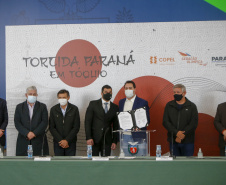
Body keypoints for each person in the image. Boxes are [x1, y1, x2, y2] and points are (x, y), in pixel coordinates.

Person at [163, 84, 198, 156]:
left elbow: (193, 123)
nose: (176, 94)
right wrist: (176, 133)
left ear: (184, 93)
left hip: (188, 141)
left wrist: (182, 134)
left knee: (187, 164)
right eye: (174, 92)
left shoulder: (192, 106)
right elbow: (165, 122)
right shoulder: (169, 105)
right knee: (175, 165)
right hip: (173, 140)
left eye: (178, 92)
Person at [85, 85, 119, 156]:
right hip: (93, 139)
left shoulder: (115, 107)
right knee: (93, 161)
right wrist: (88, 137)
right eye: (106, 92)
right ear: (101, 93)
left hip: (107, 140)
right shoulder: (93, 104)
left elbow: (116, 126)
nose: (108, 93)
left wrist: (114, 141)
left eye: (110, 92)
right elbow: (87, 122)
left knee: (106, 162)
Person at [14, 86, 49, 156]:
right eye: (30, 94)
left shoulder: (42, 106)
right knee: (23, 163)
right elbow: (17, 123)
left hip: (38, 139)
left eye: (34, 94)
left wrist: (34, 133)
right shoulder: (19, 107)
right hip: (23, 139)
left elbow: (44, 122)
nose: (32, 96)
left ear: (37, 95)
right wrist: (27, 133)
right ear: (26, 95)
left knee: (39, 162)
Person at [119, 80, 150, 156]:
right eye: (126, 88)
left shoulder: (142, 102)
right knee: (127, 162)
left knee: (140, 161)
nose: (128, 90)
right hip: (125, 136)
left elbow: (147, 120)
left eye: (130, 88)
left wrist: (139, 126)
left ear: (135, 89)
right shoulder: (121, 102)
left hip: (138, 136)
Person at [49, 89, 80, 156]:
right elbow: (51, 127)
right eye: (60, 97)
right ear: (57, 98)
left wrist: (67, 140)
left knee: (70, 164)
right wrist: (60, 141)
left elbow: (76, 127)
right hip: (58, 142)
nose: (62, 99)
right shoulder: (53, 109)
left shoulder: (74, 109)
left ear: (68, 98)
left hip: (70, 142)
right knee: (59, 164)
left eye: (64, 97)